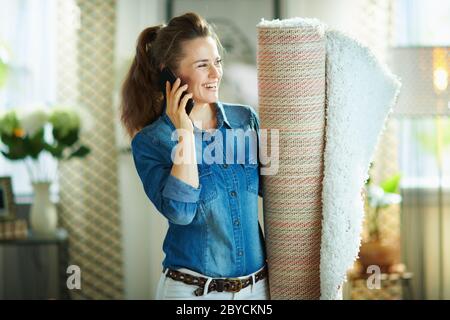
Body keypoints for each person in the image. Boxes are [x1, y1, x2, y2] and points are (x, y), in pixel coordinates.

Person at [120, 12, 269, 300]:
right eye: (203, 65)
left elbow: (275, 190)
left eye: (217, 62)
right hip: (193, 293)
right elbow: (180, 213)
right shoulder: (150, 142)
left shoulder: (244, 120)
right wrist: (185, 133)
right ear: (169, 73)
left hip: (257, 290)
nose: (216, 74)